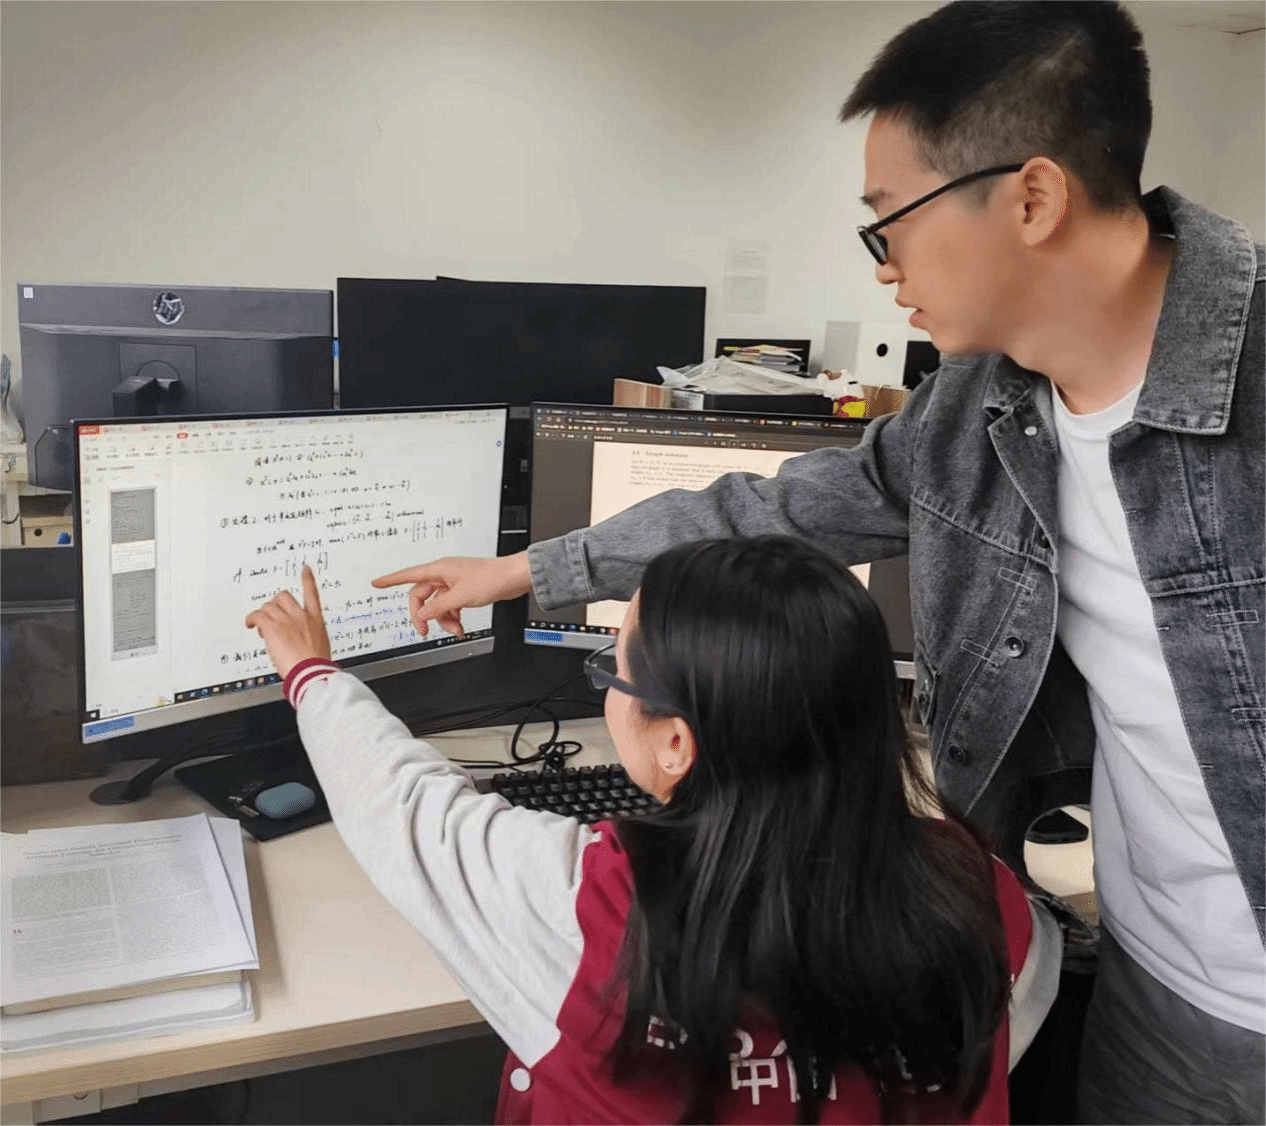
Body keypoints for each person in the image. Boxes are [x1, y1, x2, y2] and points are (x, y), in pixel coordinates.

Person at [372, 3, 1266, 1123]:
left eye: (890, 222)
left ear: (1032, 199)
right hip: (1154, 975)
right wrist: (528, 572)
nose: (885, 267)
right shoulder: (975, 413)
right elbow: (773, 511)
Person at [245, 540, 1059, 1124]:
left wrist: (310, 671)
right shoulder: (990, 901)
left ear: (674, 742)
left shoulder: (591, 915)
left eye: (615, 668)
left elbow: (402, 807)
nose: (608, 688)